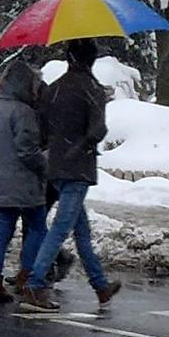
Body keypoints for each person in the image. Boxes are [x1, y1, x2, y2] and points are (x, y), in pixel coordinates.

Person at [19, 39, 120, 309]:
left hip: (55, 166)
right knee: (62, 228)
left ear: (68, 58)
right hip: (79, 167)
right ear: (92, 60)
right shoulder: (93, 90)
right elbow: (97, 130)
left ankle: (100, 286)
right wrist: (84, 142)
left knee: (81, 231)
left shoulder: (53, 90)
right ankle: (36, 283)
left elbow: (42, 132)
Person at [0, 57, 49, 305]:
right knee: (37, 228)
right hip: (25, 185)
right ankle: (25, 276)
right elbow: (27, 150)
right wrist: (45, 166)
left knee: (1, 233)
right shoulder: (24, 113)